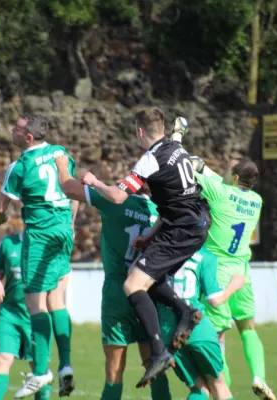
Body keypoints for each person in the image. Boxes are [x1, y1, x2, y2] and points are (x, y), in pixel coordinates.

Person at [79, 108, 209, 387]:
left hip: (181, 231)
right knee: (147, 273)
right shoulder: (176, 147)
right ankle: (184, 311)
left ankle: (160, 352)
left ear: (140, 132)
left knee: (132, 286)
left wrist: (95, 182)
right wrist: (150, 235)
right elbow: (172, 199)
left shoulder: (149, 159)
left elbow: (116, 196)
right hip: (196, 224)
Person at [55, 154, 174, 400]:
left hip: (117, 293)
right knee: (155, 368)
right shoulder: (157, 211)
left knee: (113, 373)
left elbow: (69, 189)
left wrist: (61, 165)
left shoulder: (114, 202)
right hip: (148, 295)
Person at [0, 114, 79, 398]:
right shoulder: (60, 153)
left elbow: (0, 209)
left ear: (28, 137)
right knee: (56, 298)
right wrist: (72, 226)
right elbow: (73, 191)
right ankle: (66, 364)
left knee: (34, 302)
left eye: (16, 128)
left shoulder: (19, 166)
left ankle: (41, 371)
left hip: (40, 235)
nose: (11, 131)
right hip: (63, 230)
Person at [187, 153, 276, 399]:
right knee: (248, 328)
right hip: (242, 272)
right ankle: (259, 376)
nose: (224, 173)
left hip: (219, 272)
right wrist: (206, 168)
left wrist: (192, 162)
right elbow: (221, 180)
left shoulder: (219, 193)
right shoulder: (257, 200)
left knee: (218, 336)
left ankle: (222, 391)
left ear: (235, 177)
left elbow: (187, 171)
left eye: (228, 170)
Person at [154, 246, 246, 400]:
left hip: (168, 332)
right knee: (219, 385)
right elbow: (215, 300)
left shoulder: (159, 252)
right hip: (197, 328)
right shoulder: (205, 256)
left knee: (200, 389)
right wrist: (234, 285)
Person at [0, 227, 52, 400]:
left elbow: (62, 277)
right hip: (9, 314)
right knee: (2, 359)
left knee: (39, 370)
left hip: (36, 319)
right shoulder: (9, 243)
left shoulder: (47, 243)